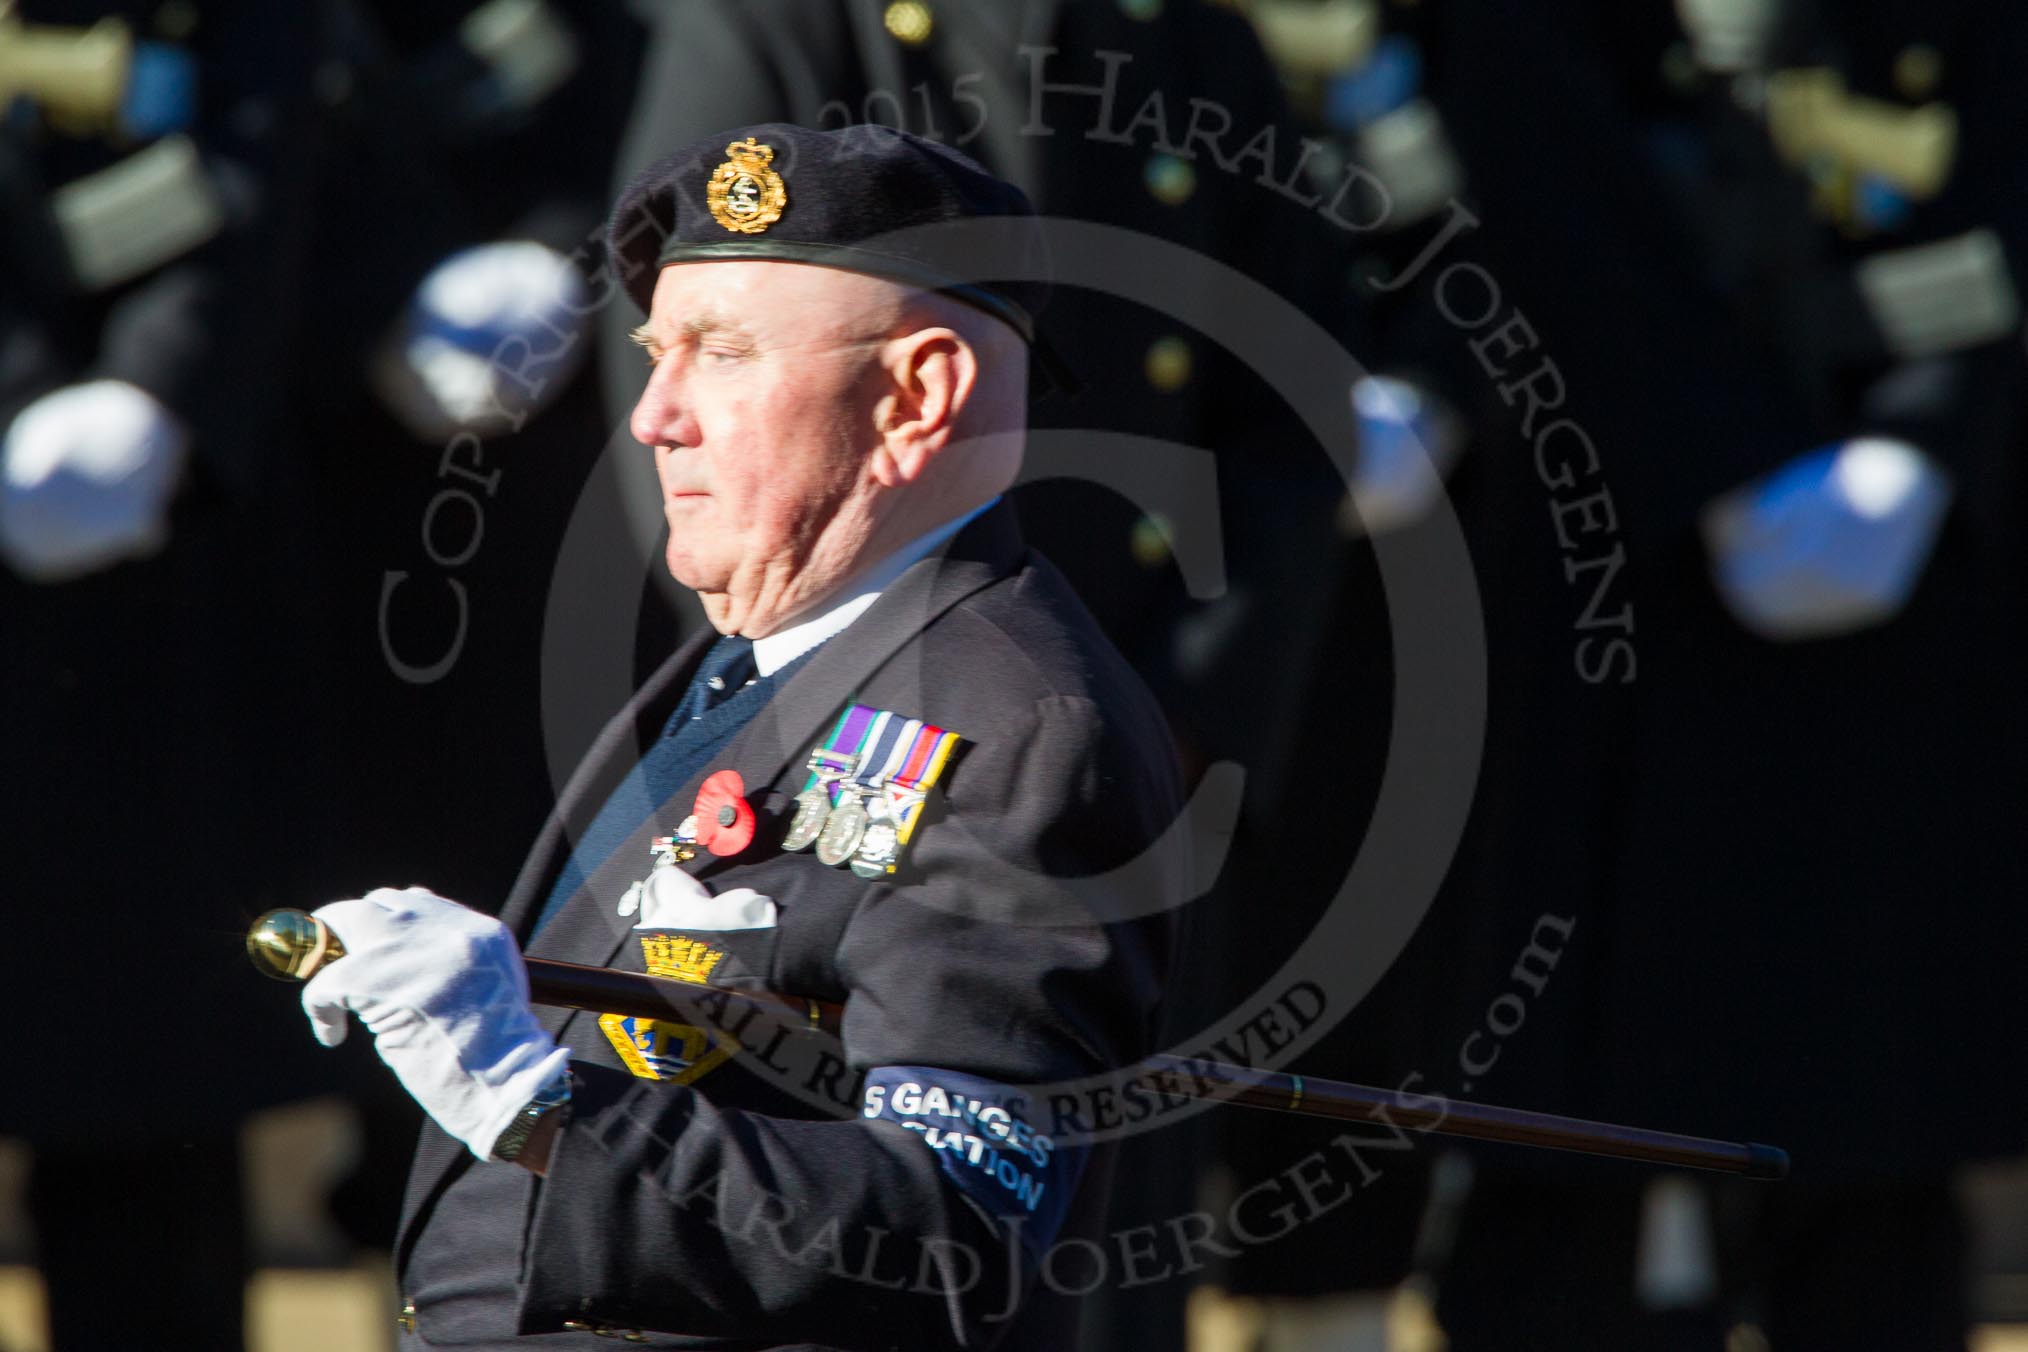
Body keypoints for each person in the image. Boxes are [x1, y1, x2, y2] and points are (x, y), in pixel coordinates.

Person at [295, 122, 1185, 1349]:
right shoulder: (767, 652)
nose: (655, 415)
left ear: (918, 394)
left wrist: (543, 1100)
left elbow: (949, 1233)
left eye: (721, 354)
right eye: (658, 352)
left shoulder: (1022, 725)